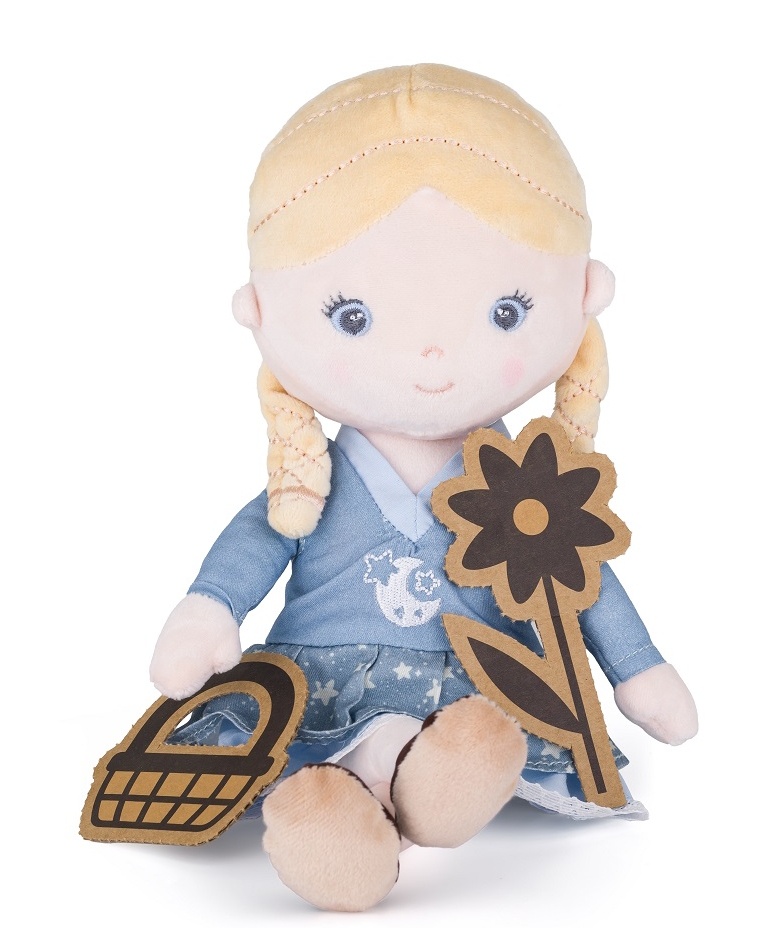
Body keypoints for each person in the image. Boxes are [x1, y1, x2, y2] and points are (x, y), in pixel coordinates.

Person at [148, 64, 697, 912]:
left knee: (474, 734)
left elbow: (575, 580)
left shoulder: (527, 488)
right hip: (317, 680)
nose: (430, 358)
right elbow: (259, 538)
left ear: (584, 294)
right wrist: (208, 609)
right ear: (258, 310)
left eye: (505, 311)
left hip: (473, 681)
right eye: (352, 317)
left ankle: (411, 783)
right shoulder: (310, 481)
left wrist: (636, 667)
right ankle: (341, 812)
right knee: (313, 745)